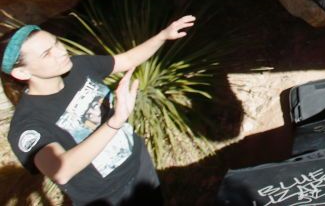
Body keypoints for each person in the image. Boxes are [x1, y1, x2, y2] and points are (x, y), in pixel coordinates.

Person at [1, 15, 196, 205]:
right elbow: (61, 170)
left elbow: (126, 60)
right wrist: (115, 122)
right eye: (47, 54)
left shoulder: (79, 66)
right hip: (104, 197)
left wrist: (162, 36)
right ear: (22, 72)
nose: (61, 52)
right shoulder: (27, 124)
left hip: (139, 165)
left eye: (56, 43)